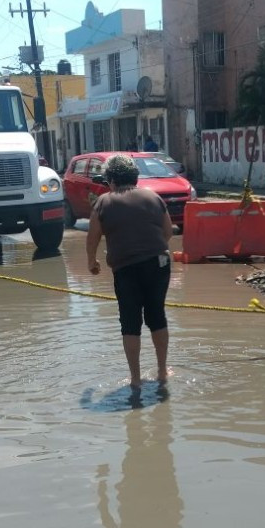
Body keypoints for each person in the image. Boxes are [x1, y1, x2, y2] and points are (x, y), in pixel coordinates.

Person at [86, 154, 174, 389]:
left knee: (130, 321)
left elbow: (93, 236)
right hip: (159, 263)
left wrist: (92, 261)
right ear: (134, 177)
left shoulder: (103, 202)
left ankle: (135, 379)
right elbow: (168, 231)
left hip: (125, 267)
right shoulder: (152, 196)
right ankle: (163, 372)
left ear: (111, 180)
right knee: (157, 315)